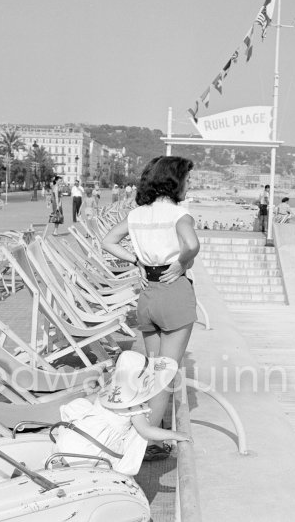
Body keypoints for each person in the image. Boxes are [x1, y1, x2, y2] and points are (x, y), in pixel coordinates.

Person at [102, 156, 199, 461]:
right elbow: (192, 244)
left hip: (148, 295)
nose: (189, 183)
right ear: (174, 181)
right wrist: (182, 262)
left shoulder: (137, 215)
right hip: (174, 293)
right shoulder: (179, 214)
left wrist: (137, 262)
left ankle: (142, 429)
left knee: (151, 369)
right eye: (186, 178)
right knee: (165, 374)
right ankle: (147, 442)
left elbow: (108, 242)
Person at [54, 351, 192, 475]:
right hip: (92, 451)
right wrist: (177, 435)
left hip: (73, 438)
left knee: (70, 465)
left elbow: (86, 400)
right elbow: (147, 431)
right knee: (95, 470)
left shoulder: (105, 393)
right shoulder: (133, 407)